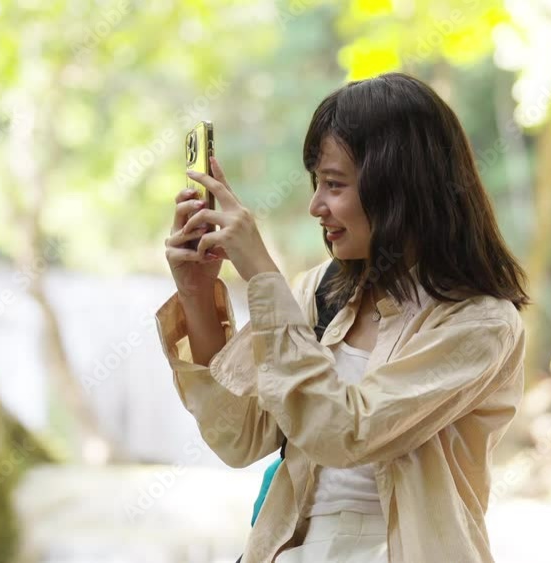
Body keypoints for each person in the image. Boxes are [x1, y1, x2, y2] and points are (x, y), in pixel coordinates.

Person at [154, 71, 530, 562]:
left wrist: (262, 274)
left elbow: (348, 432)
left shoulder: (481, 325)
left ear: (401, 187)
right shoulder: (320, 291)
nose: (316, 206)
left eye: (334, 185)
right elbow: (239, 435)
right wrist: (198, 294)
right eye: (316, 183)